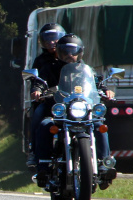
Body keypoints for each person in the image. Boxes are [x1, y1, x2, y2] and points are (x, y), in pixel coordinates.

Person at [32, 34, 115, 185]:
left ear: (80, 53)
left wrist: (105, 90)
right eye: (65, 51)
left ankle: (104, 165)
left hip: (81, 112)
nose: (69, 55)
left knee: (100, 126)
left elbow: (97, 83)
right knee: (45, 125)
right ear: (59, 52)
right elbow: (40, 82)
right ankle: (42, 167)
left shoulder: (87, 69)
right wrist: (38, 90)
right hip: (59, 112)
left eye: (73, 51)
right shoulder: (49, 68)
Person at [25, 23, 66, 166]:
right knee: (38, 115)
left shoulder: (70, 58)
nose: (51, 42)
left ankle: (101, 160)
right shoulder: (41, 61)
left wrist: (101, 87)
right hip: (48, 101)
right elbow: (37, 79)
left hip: (71, 101)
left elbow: (86, 75)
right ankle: (34, 150)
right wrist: (36, 90)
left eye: (54, 39)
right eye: (47, 39)